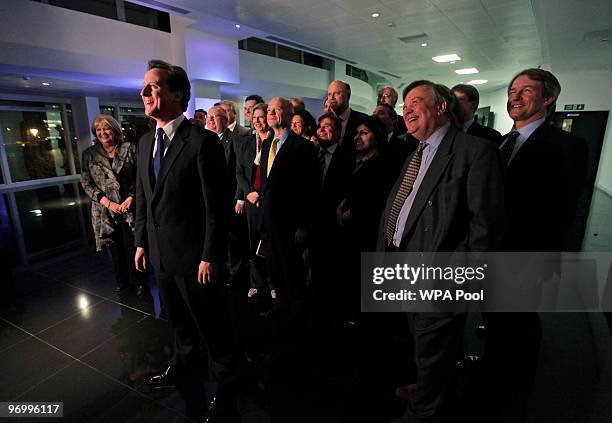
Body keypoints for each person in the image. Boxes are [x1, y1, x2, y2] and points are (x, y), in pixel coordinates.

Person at [377, 80, 505, 423]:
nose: (406, 108)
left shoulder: (475, 151)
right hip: (405, 264)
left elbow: (485, 226)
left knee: (432, 344)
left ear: (441, 107)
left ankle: (423, 413)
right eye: (405, 104)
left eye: (416, 101)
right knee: (425, 344)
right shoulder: (416, 150)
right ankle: (428, 387)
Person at [482, 68, 588, 422]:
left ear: (547, 99)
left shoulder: (567, 146)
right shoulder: (500, 142)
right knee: (495, 321)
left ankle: (516, 394)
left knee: (519, 324)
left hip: (525, 255)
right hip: (489, 251)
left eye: (525, 90)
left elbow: (564, 209)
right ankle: (494, 375)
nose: (514, 96)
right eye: (512, 90)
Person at [133, 59, 233, 421]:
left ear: (177, 94)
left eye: (153, 86)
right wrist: (141, 241)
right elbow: (144, 196)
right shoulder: (145, 142)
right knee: (178, 324)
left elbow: (215, 207)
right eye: (143, 86)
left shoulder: (201, 141)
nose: (144, 92)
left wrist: (210, 254)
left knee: (212, 328)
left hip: (195, 259)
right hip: (161, 256)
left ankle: (225, 385)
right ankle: (184, 368)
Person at [81, 114, 146, 296]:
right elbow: (86, 183)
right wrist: (108, 203)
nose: (102, 132)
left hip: (130, 207)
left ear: (115, 130)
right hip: (104, 210)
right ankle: (122, 281)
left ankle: (139, 281)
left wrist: (131, 197)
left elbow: (140, 177)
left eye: (106, 128)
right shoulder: (89, 154)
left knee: (133, 245)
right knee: (115, 248)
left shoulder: (130, 149)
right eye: (99, 130)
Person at [235, 103, 274, 299]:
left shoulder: (276, 141)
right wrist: (248, 193)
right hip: (251, 199)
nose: (258, 121)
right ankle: (256, 282)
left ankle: (273, 282)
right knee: (253, 243)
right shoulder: (245, 142)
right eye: (255, 117)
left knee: (270, 242)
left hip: (269, 200)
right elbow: (239, 172)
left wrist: (261, 194)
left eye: (262, 116)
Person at [326, 80, 368, 154]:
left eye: (337, 93)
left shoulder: (363, 120)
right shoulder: (324, 122)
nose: (331, 98)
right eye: (329, 94)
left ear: (348, 96)